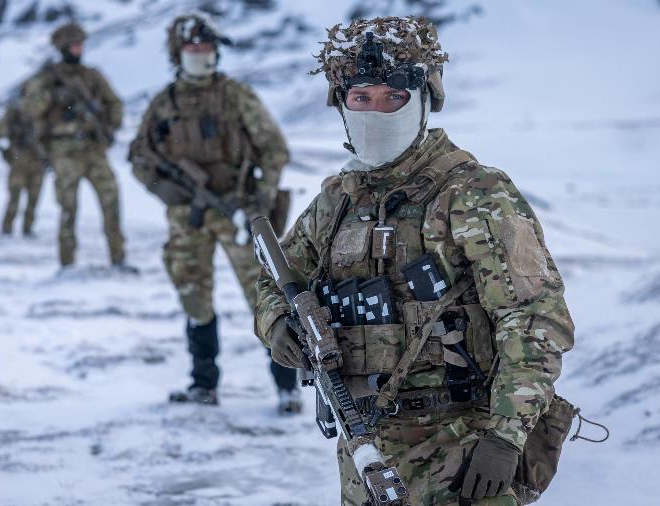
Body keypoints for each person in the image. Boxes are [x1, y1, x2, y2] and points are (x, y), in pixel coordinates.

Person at [254, 16, 575, 505]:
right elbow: (275, 279)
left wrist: (505, 436)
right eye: (361, 98)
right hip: (363, 448)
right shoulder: (336, 202)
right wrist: (276, 324)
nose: (376, 112)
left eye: (393, 97)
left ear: (425, 99)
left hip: (462, 447)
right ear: (341, 103)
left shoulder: (473, 194)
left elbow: (534, 318)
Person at [129, 13, 301, 413]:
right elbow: (139, 155)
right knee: (193, 297)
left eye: (207, 47)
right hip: (187, 217)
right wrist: (165, 190)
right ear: (178, 53)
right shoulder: (164, 103)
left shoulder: (234, 95)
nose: (200, 54)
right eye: (193, 48)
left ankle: (286, 387)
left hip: (237, 210)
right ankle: (203, 383)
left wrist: (261, 197)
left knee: (265, 296)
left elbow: (274, 149)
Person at [21, 22, 127, 269]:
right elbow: (30, 109)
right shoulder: (48, 78)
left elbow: (115, 104)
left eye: (81, 44)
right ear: (63, 48)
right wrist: (53, 97)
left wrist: (110, 126)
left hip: (93, 147)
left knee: (111, 201)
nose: (79, 49)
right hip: (64, 150)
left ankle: (118, 258)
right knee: (68, 208)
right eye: (74, 45)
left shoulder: (92, 77)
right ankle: (67, 263)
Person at [0, 98, 46, 237]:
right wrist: (9, 121)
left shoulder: (43, 115)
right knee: (14, 198)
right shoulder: (14, 115)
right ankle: (7, 229)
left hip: (37, 164)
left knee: (33, 199)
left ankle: (27, 229)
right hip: (18, 164)